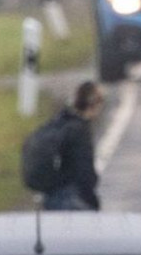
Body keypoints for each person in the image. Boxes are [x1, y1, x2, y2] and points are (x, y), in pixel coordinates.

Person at [40, 82, 105, 211]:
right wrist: (93, 203)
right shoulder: (80, 130)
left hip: (52, 197)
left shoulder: (62, 121)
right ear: (94, 104)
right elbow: (85, 173)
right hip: (71, 200)